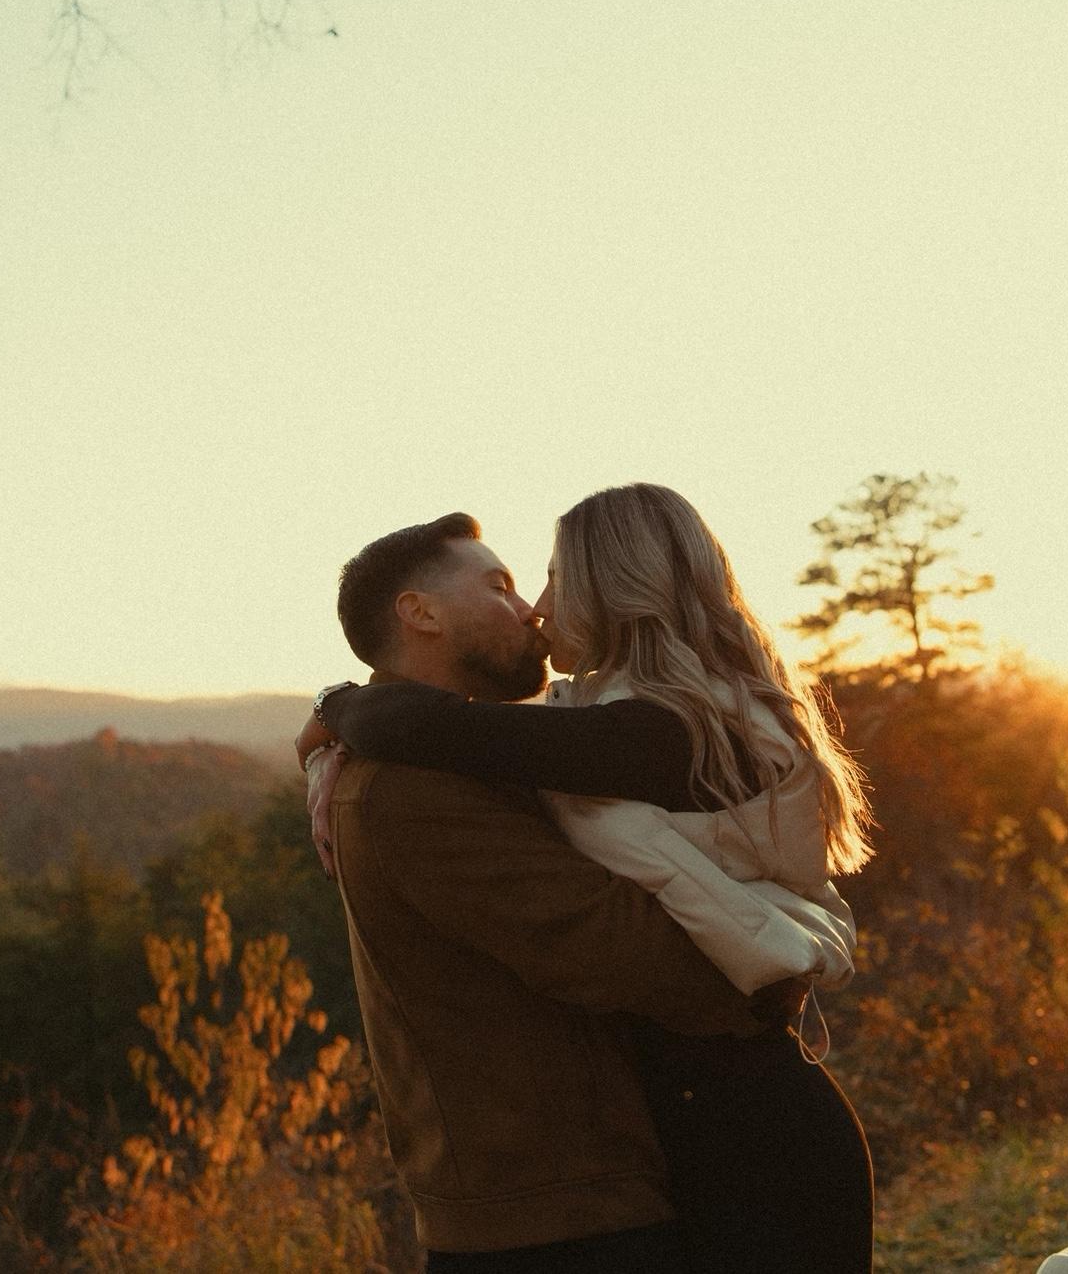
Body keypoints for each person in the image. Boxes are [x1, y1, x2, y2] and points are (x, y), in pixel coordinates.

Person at [301, 486, 876, 1273]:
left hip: (749, 1142)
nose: (534, 609)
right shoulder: (569, 733)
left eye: (548, 580)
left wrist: (338, 706)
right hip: (664, 1160)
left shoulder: (658, 730)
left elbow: (429, 724)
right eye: (504, 585)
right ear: (420, 613)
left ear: (616, 589)